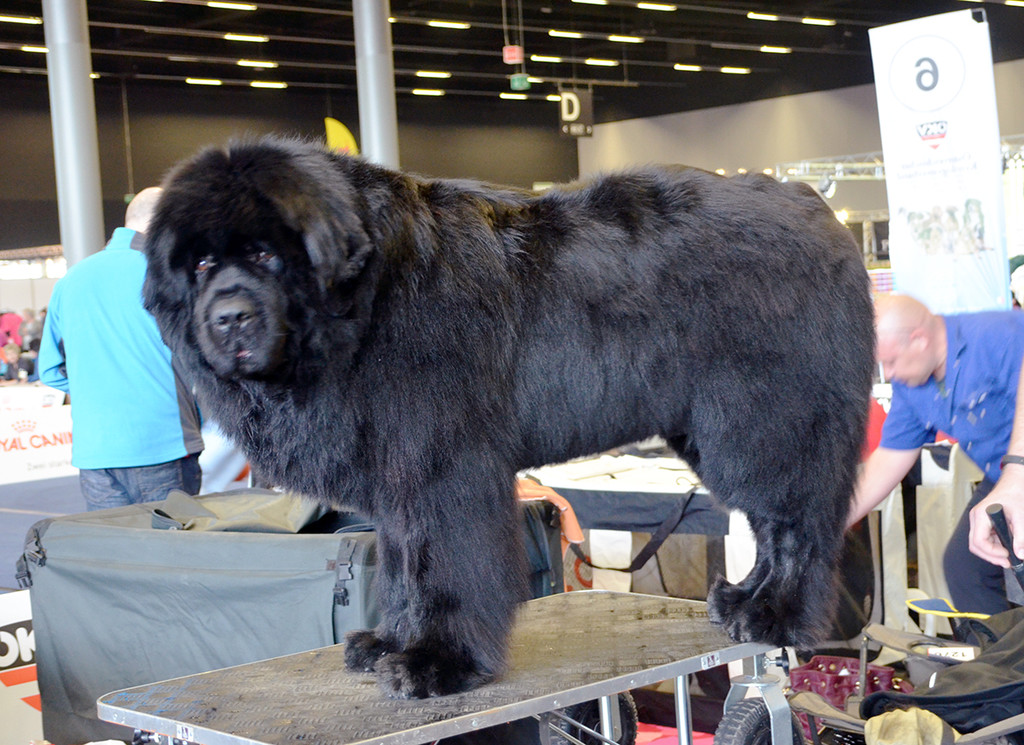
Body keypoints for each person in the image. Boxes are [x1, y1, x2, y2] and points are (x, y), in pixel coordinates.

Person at [847, 293, 1024, 615]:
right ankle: (996, 661)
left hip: (1018, 470)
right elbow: (891, 457)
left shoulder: (1003, 336)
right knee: (965, 569)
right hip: (1001, 477)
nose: (890, 373)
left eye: (891, 362)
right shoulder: (913, 385)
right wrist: (830, 522)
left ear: (919, 340)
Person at [38, 187, 204, 510]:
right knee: (173, 555)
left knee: (114, 556)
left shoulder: (70, 281)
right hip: (163, 445)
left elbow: (48, 370)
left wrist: (102, 389)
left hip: (96, 454)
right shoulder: (170, 277)